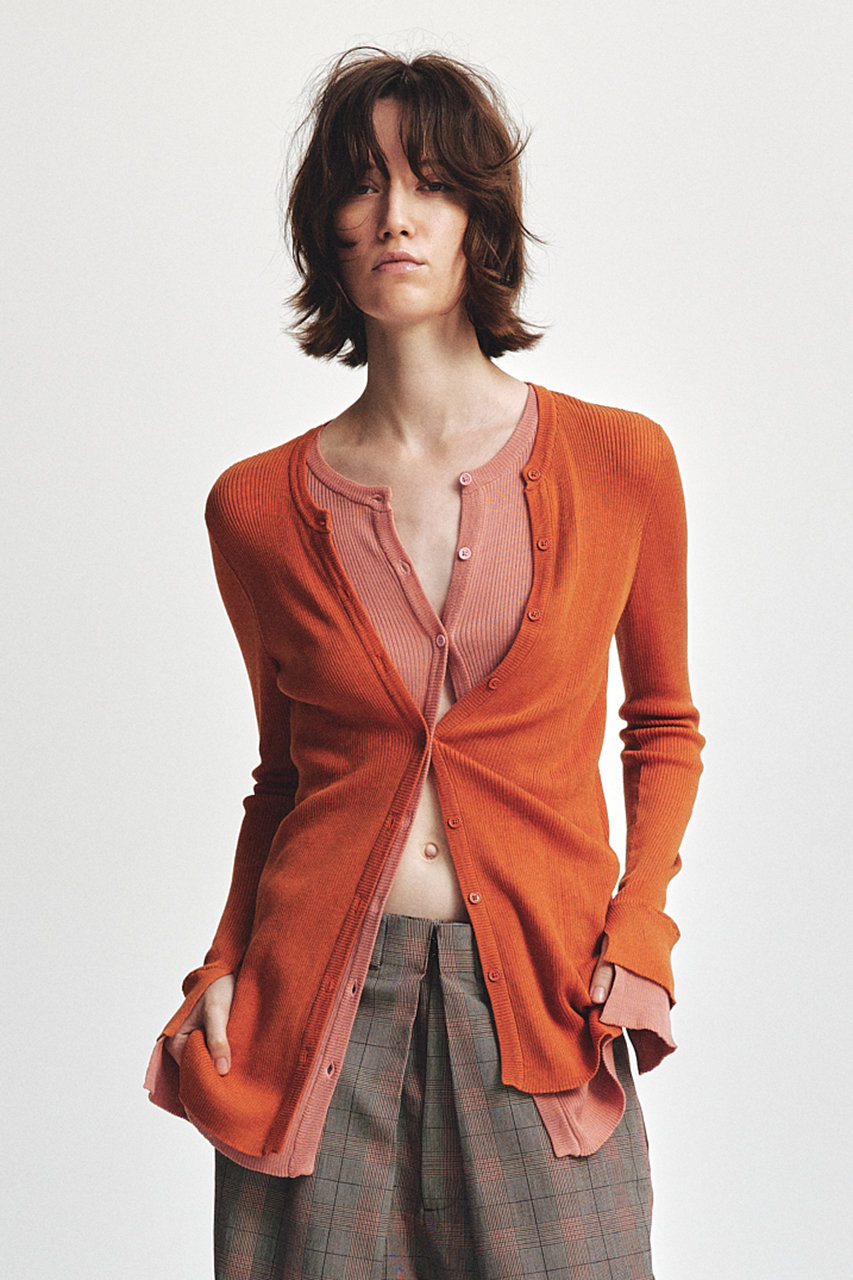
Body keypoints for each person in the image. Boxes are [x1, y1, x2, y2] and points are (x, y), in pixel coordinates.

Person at [146, 47, 703, 1280]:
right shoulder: (253, 509)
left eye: (431, 183)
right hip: (314, 1012)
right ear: (327, 228)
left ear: (478, 219)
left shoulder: (619, 462)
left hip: (543, 999)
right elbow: (286, 780)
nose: (395, 215)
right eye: (362, 183)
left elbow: (663, 723)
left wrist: (640, 930)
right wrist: (224, 960)